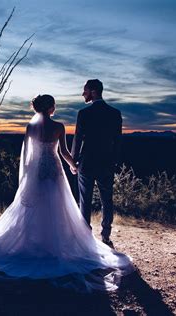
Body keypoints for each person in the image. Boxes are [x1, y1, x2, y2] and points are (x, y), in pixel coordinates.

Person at [0, 94, 134, 292]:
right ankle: (56, 244)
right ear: (50, 107)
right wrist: (73, 165)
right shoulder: (59, 127)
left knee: (35, 207)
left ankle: (35, 242)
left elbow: (26, 155)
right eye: (54, 105)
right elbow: (64, 152)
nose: (55, 107)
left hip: (35, 171)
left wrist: (27, 176)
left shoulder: (31, 127)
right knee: (57, 205)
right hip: (53, 170)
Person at [72, 79, 122, 246]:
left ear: (93, 91)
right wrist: (113, 162)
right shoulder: (115, 113)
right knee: (107, 199)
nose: (83, 93)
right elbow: (118, 142)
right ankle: (106, 234)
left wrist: (73, 161)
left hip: (87, 163)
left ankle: (86, 236)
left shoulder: (84, 113)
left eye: (85, 90)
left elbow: (77, 140)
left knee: (84, 200)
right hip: (107, 163)